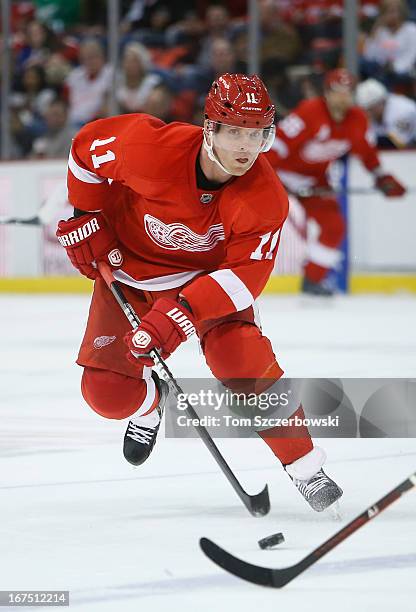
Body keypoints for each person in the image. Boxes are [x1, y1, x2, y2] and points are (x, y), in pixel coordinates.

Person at [56, 73, 342, 513]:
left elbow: (245, 278)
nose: (246, 148)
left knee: (240, 360)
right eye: (235, 133)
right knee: (106, 395)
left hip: (206, 282)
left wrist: (180, 313)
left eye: (257, 135)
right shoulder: (150, 149)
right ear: (211, 129)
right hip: (130, 274)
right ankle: (152, 404)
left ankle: (306, 467)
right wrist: (84, 215)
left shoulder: (265, 198)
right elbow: (85, 149)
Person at [266, 68, 406, 296]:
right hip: (278, 176)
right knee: (256, 224)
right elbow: (277, 147)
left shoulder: (358, 119)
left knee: (334, 226)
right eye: (337, 91)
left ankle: (313, 280)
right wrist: (270, 181)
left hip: (315, 182)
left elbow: (367, 153)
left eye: (347, 92)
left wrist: (382, 177)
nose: (342, 97)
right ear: (327, 93)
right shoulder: (309, 112)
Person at [356, 78, 416, 148]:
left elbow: (399, 144)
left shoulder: (404, 110)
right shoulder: (375, 114)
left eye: (370, 109)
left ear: (381, 101)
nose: (368, 113)